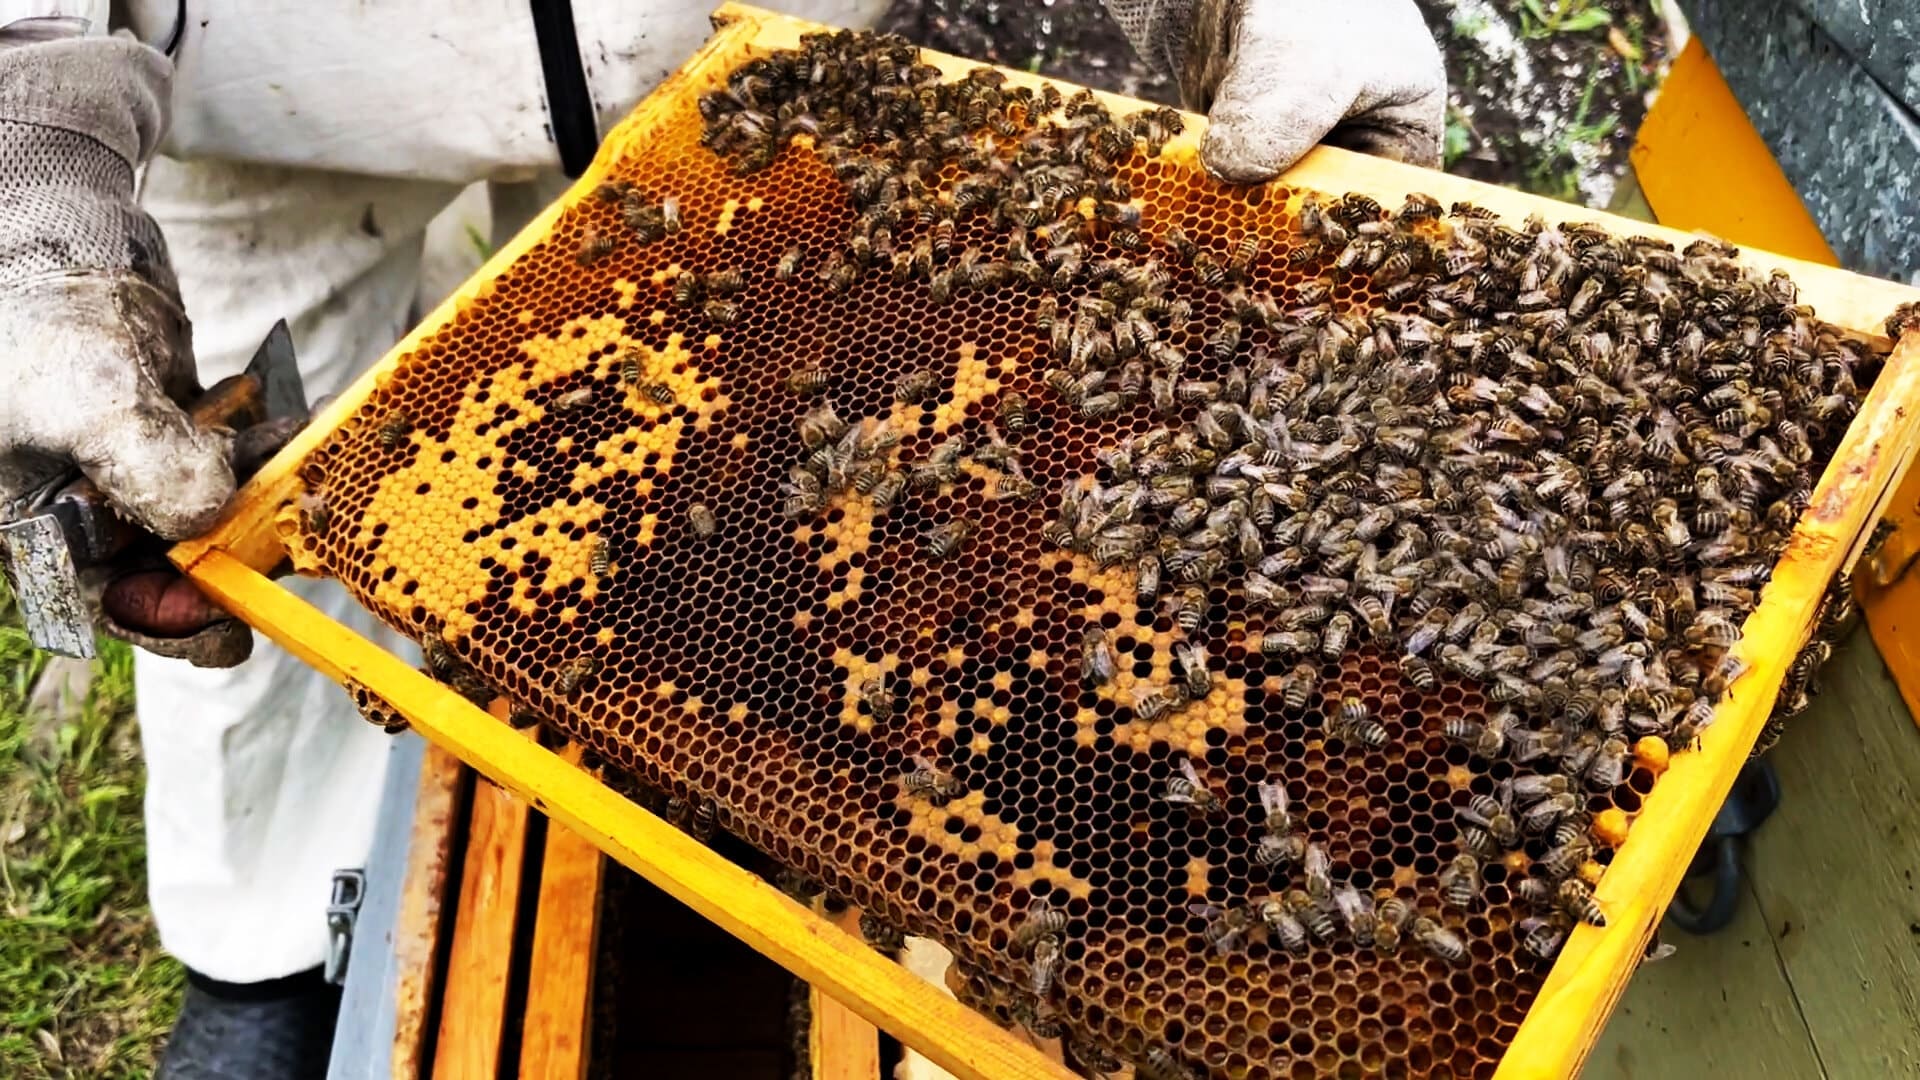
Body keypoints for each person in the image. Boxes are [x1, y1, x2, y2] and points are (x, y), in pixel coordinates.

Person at [0, 1, 1443, 1074]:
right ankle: (262, 952)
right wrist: (24, 103)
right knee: (236, 480)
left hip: (753, 57)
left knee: (838, 451)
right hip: (284, 62)